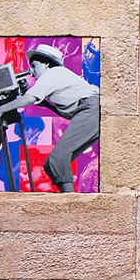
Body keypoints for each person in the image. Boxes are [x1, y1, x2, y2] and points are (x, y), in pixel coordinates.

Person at [19, 44, 101, 193]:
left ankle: (70, 203)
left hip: (93, 109)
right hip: (91, 111)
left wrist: (3, 109)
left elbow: (29, 98)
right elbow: (70, 114)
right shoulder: (57, 80)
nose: (31, 72)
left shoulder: (52, 73)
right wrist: (47, 105)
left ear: (47, 64)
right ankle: (68, 198)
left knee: (57, 159)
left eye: (34, 66)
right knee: (50, 163)